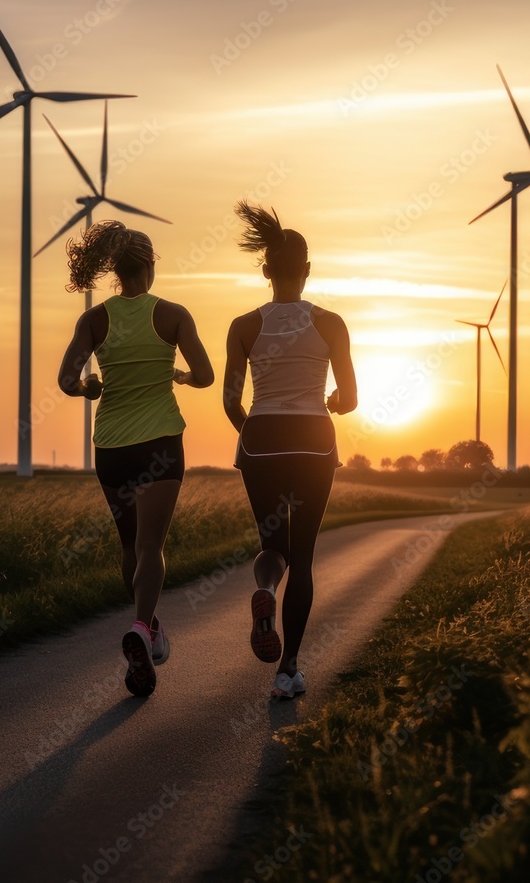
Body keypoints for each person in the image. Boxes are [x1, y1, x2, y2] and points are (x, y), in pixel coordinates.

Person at [58, 221, 214, 697]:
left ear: (114, 268)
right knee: (151, 548)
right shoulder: (173, 315)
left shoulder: (94, 320)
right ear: (150, 265)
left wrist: (88, 387)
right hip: (159, 443)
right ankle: (143, 629)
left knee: (130, 546)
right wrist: (181, 377)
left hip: (111, 447)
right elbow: (207, 375)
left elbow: (66, 380)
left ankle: (148, 628)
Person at [223, 202, 357, 699]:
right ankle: (288, 671)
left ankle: (264, 590)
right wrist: (333, 403)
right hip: (313, 441)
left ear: (265, 271)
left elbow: (230, 400)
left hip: (261, 438)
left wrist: (254, 433)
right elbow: (350, 398)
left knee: (273, 545)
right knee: (303, 557)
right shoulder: (331, 323)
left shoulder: (243, 325)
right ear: (307, 270)